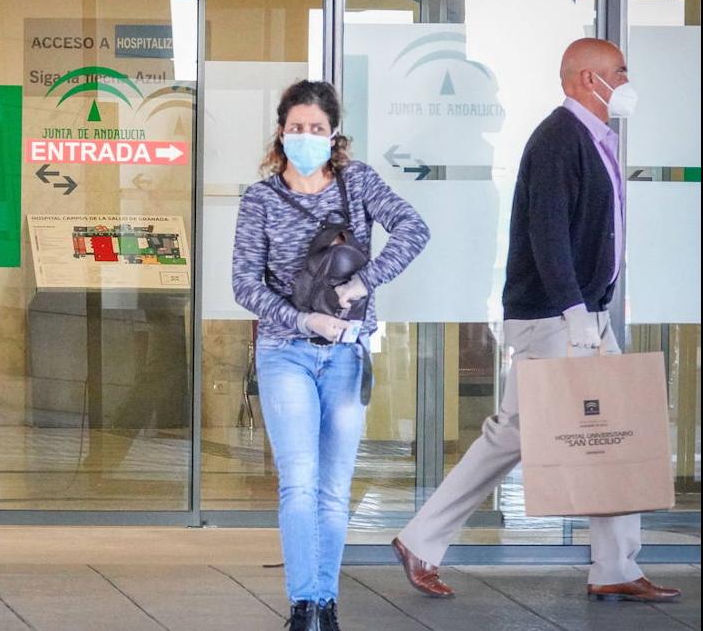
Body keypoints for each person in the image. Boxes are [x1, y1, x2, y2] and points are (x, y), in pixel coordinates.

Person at [392, 38, 681, 604]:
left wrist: (590, 310)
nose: (626, 82)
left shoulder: (596, 139)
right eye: (619, 71)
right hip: (557, 316)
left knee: (609, 432)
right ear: (584, 80)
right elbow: (547, 233)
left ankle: (615, 565)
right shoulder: (558, 140)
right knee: (528, 434)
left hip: (582, 313)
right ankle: (422, 539)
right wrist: (575, 314)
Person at [233, 80, 429, 631]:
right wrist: (303, 319)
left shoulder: (357, 184)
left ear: (334, 134)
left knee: (334, 487)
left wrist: (361, 284)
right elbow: (244, 285)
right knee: (298, 480)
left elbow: (415, 228)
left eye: (317, 128)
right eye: (296, 127)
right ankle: (302, 604)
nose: (306, 137)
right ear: (280, 132)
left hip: (346, 354)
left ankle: (326, 600)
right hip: (285, 352)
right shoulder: (261, 199)